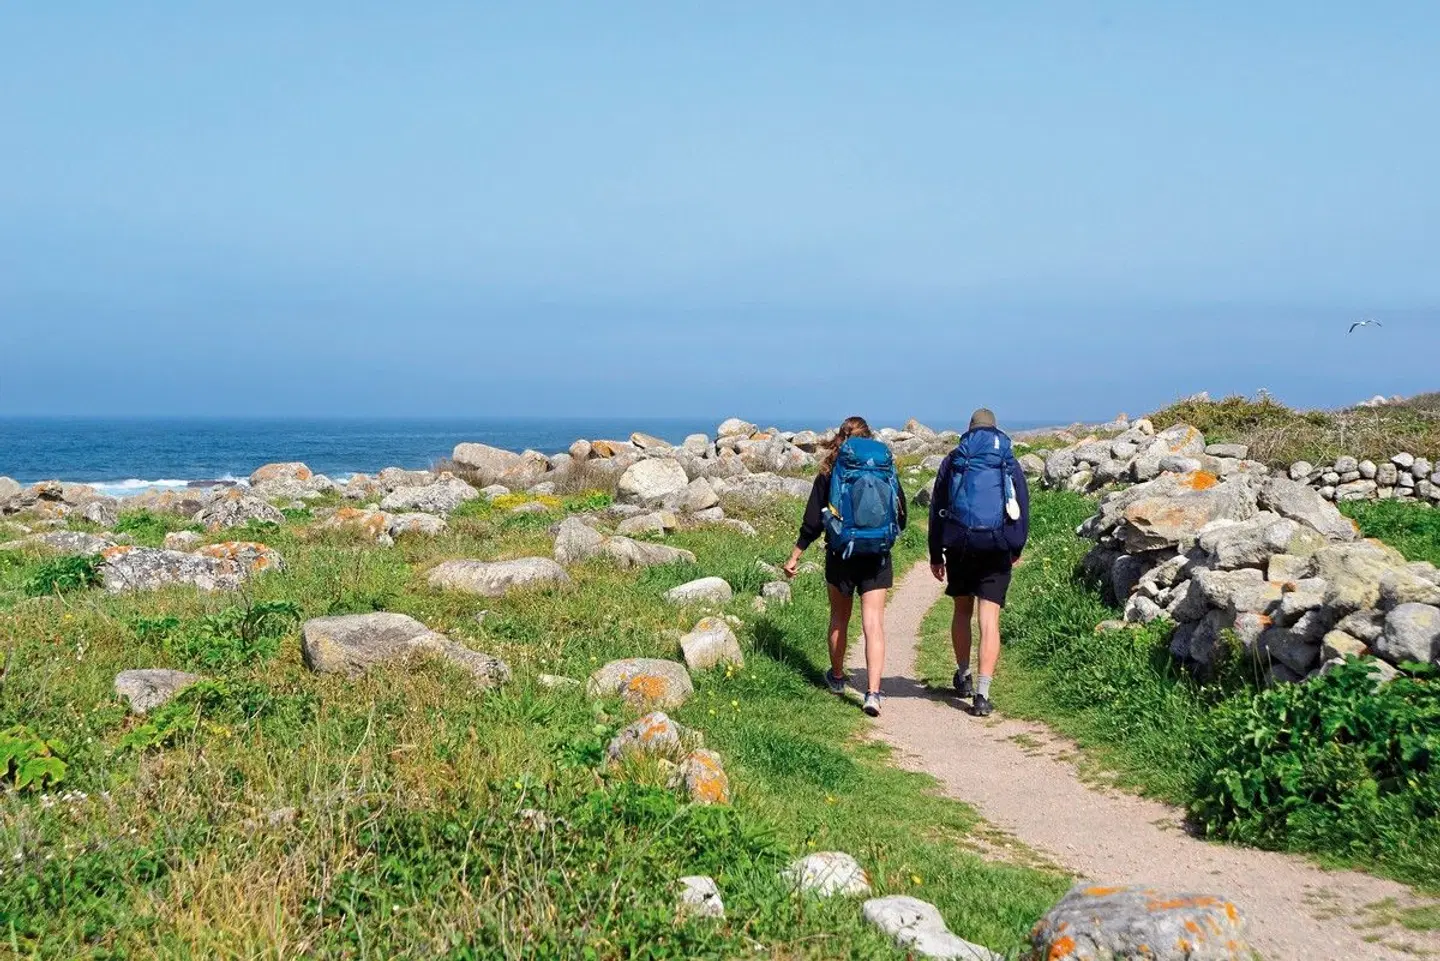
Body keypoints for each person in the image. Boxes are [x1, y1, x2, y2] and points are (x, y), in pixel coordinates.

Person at [783, 416, 907, 717]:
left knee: (839, 617)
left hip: (841, 554)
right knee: (873, 623)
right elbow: (900, 514)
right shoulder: (884, 469)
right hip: (877, 555)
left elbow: (812, 521)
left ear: (842, 437)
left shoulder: (830, 471)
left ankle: (837, 679)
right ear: (869, 438)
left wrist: (795, 555)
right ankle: (874, 693)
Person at [928, 408, 1029, 717]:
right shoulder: (1007, 460)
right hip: (997, 547)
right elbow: (1021, 505)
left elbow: (937, 508)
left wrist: (936, 553)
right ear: (995, 430)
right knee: (989, 620)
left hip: (960, 544)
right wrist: (1016, 545)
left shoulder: (955, 459)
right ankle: (982, 695)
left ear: (969, 430)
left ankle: (963, 675)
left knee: (961, 610)